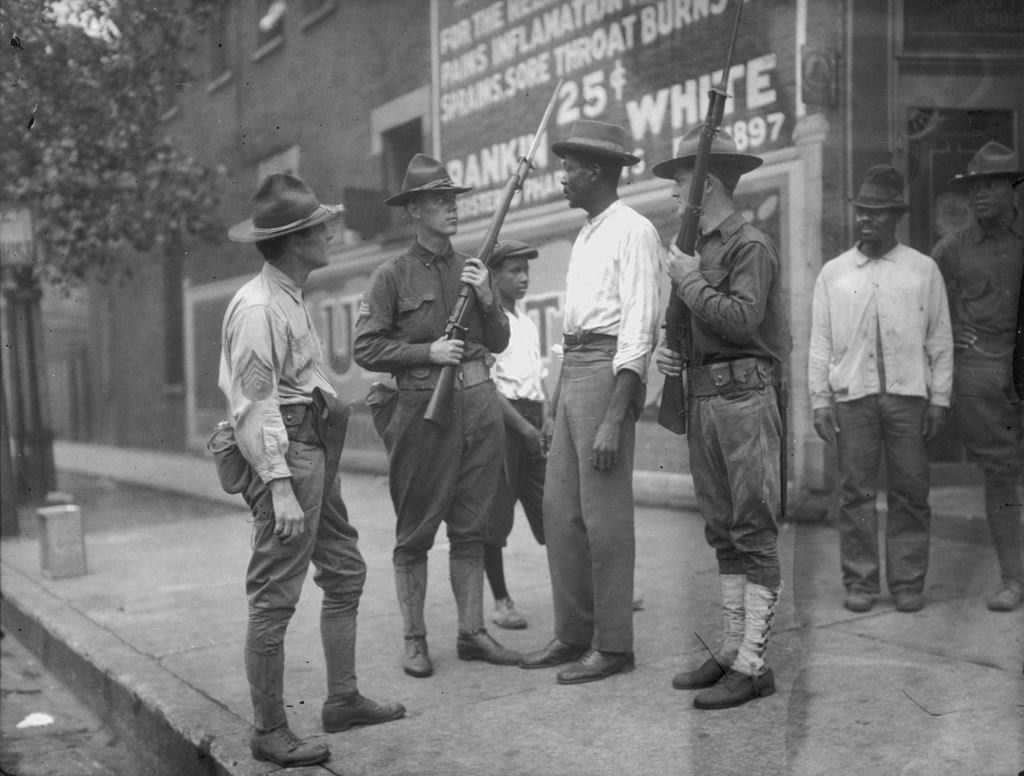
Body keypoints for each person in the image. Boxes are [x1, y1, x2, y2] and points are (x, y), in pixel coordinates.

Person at [217, 173, 404, 768]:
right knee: (274, 596)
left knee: (344, 572)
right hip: (288, 459)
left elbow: (304, 380)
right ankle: (270, 731)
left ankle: (342, 699)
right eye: (321, 226)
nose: (331, 231)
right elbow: (253, 402)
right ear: (297, 240)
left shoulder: (289, 294)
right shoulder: (257, 307)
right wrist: (279, 488)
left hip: (312, 450)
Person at [353, 154, 520, 678]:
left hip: (478, 405)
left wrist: (489, 298)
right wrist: (428, 353)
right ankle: (414, 638)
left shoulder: (474, 266)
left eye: (452, 199)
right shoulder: (391, 276)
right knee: (416, 530)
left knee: (473, 526)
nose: (450, 208)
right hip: (423, 411)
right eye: (438, 201)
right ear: (413, 213)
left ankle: (472, 634)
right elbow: (366, 348)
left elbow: (499, 341)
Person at [652, 125, 792, 710]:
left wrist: (686, 281)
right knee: (721, 527)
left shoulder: (748, 246)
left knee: (753, 528)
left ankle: (755, 662)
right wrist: (673, 352)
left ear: (706, 184)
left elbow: (742, 320)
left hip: (743, 400)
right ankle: (734, 648)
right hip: (707, 398)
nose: (672, 196)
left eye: (680, 184)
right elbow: (706, 329)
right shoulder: (703, 249)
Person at [520, 120, 662, 684]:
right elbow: (573, 332)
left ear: (598, 172)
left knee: (605, 520)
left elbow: (639, 329)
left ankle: (614, 645)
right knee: (560, 513)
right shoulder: (587, 233)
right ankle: (574, 632)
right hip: (574, 370)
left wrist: (614, 415)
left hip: (609, 375)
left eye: (570, 168)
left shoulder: (635, 230)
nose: (563, 178)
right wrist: (554, 403)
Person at [808, 164, 953, 615]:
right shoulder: (834, 273)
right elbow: (821, 342)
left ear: (897, 217)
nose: (867, 219)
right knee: (855, 492)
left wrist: (940, 399)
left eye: (878, 212)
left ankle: (908, 581)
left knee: (911, 490)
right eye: (862, 212)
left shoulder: (921, 269)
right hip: (854, 399)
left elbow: (940, 339)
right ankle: (861, 582)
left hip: (909, 398)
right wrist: (819, 399)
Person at [932, 141, 1024, 612]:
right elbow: (924, 304)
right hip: (983, 371)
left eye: (991, 184)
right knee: (1002, 476)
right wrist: (952, 329)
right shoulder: (952, 248)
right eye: (974, 188)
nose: (981, 195)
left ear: (1012, 190)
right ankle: (1012, 579)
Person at [484, 240, 549, 630]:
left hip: (531, 420)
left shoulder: (525, 322)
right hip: (504, 424)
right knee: (496, 515)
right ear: (493, 276)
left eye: (526, 270)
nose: (523, 278)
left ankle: (585, 589)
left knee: (553, 510)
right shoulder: (490, 324)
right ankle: (501, 600)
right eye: (514, 271)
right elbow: (489, 387)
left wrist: (542, 421)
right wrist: (523, 428)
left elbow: (536, 380)